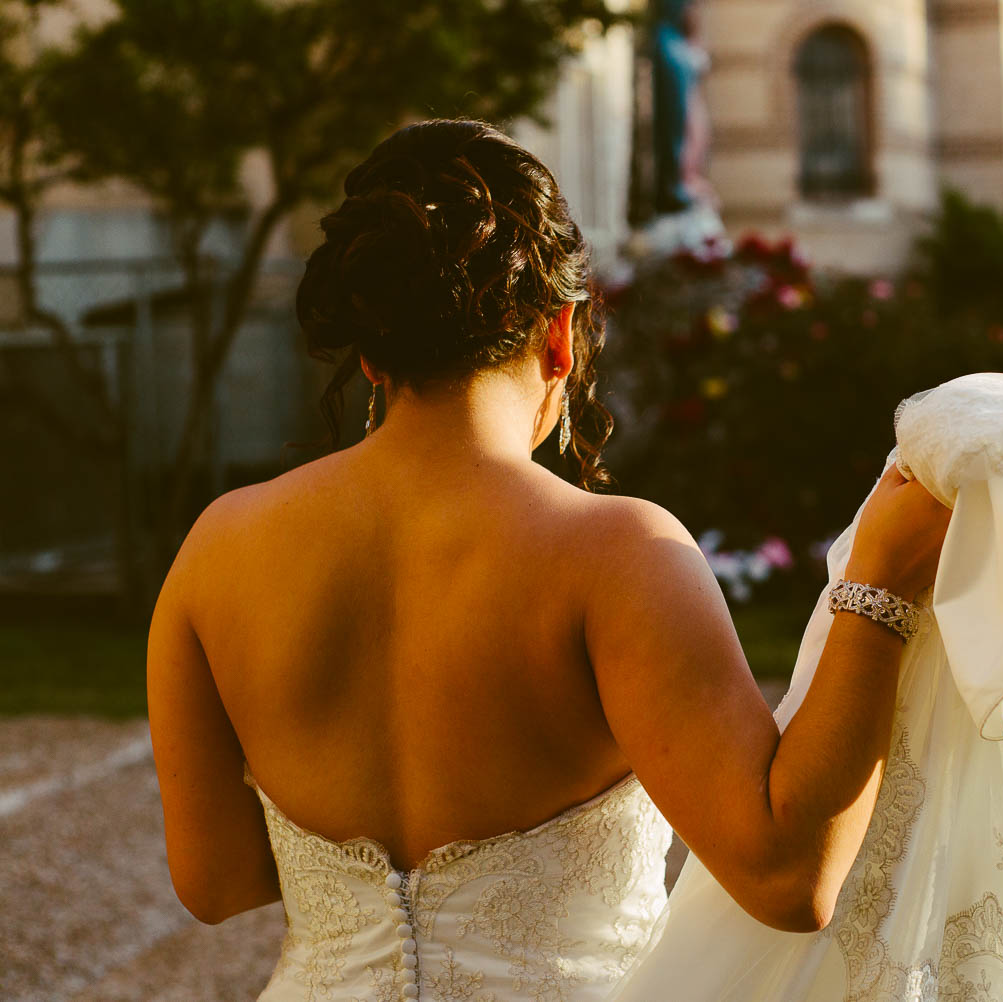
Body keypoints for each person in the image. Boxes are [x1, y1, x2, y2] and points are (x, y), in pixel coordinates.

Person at [146, 120, 951, 1001]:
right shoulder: (617, 557)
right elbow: (788, 877)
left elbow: (215, 883)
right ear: (559, 332)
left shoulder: (219, 547)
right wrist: (881, 584)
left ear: (370, 352)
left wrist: (354, 872)